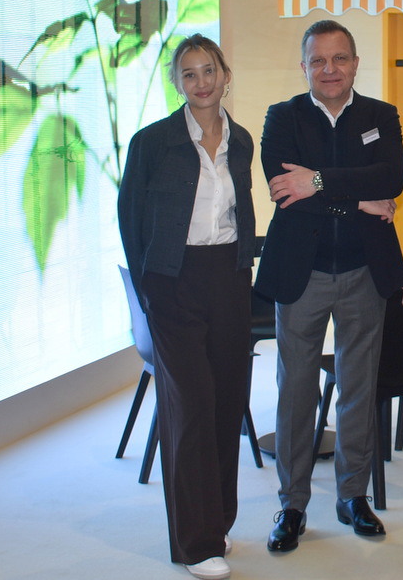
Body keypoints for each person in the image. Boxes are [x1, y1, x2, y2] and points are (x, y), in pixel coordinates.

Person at [256, 19, 403, 553]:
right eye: (318, 60)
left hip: (365, 271)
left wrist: (317, 180)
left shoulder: (381, 116)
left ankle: (352, 496)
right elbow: (284, 191)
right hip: (302, 274)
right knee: (296, 390)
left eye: (339, 58)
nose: (329, 69)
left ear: (355, 63)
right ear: (304, 67)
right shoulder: (282, 117)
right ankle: (292, 503)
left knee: (358, 387)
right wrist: (359, 199)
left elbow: (391, 179)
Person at [118, 35, 257, 580]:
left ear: (225, 75)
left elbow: (240, 212)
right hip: (173, 283)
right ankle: (195, 544)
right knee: (192, 407)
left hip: (228, 279)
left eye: (209, 70)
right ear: (177, 83)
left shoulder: (241, 140)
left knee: (227, 403)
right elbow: (131, 220)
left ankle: (217, 523)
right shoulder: (152, 143)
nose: (201, 82)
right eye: (189, 73)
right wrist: (149, 293)